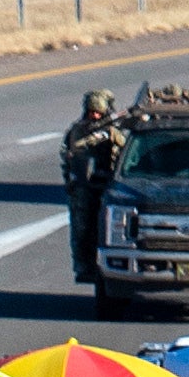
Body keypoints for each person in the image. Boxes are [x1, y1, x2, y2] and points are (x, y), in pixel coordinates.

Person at [61, 87, 124, 287]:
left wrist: (115, 138)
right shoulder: (78, 130)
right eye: (91, 112)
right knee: (82, 229)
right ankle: (84, 266)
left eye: (98, 112)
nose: (95, 116)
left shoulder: (117, 129)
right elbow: (70, 154)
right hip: (85, 188)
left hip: (110, 187)